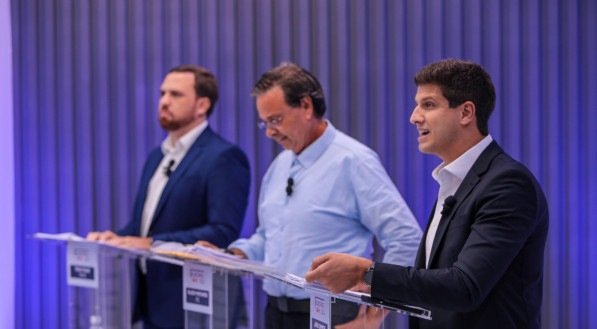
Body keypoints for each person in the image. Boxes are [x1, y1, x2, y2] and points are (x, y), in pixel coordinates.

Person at [305, 59, 549, 329]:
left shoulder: (508, 184)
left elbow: (464, 287)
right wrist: (371, 290)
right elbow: (435, 283)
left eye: (428, 105)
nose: (414, 116)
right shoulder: (455, 180)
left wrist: (365, 271)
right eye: (417, 104)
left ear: (466, 112)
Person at [199, 62, 422, 329]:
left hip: (332, 311)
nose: (269, 132)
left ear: (306, 106)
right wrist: (234, 253)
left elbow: (406, 238)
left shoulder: (353, 161)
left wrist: (377, 308)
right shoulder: (279, 166)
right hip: (276, 310)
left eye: (276, 120)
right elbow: (269, 236)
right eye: (264, 123)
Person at [87, 65, 251, 329]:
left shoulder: (224, 157)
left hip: (198, 306)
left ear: (202, 105)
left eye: (175, 95)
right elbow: (142, 227)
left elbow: (222, 232)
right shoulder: (157, 156)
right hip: (152, 303)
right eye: (162, 93)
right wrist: (114, 238)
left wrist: (150, 243)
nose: (164, 101)